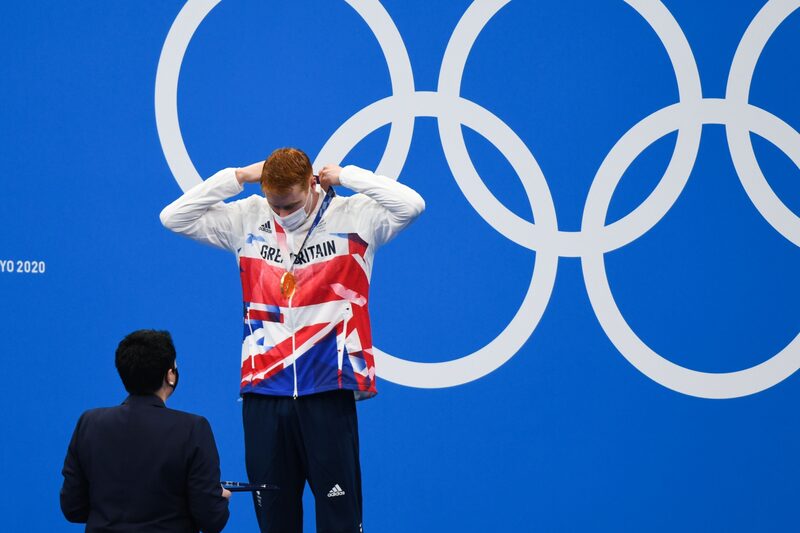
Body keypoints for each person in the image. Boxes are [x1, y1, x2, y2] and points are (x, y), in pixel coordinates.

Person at [160, 149, 425, 532]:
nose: (282, 214)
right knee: (275, 523)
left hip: (328, 389)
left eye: (291, 204)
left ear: (311, 184)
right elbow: (173, 217)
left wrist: (347, 175)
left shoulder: (354, 217)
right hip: (264, 392)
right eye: (275, 204)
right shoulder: (247, 217)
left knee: (340, 522)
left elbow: (412, 204)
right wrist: (238, 176)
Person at [60, 330, 231, 532]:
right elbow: (211, 519)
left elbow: (73, 508)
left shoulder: (89, 423)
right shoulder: (193, 428)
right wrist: (219, 499)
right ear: (170, 375)